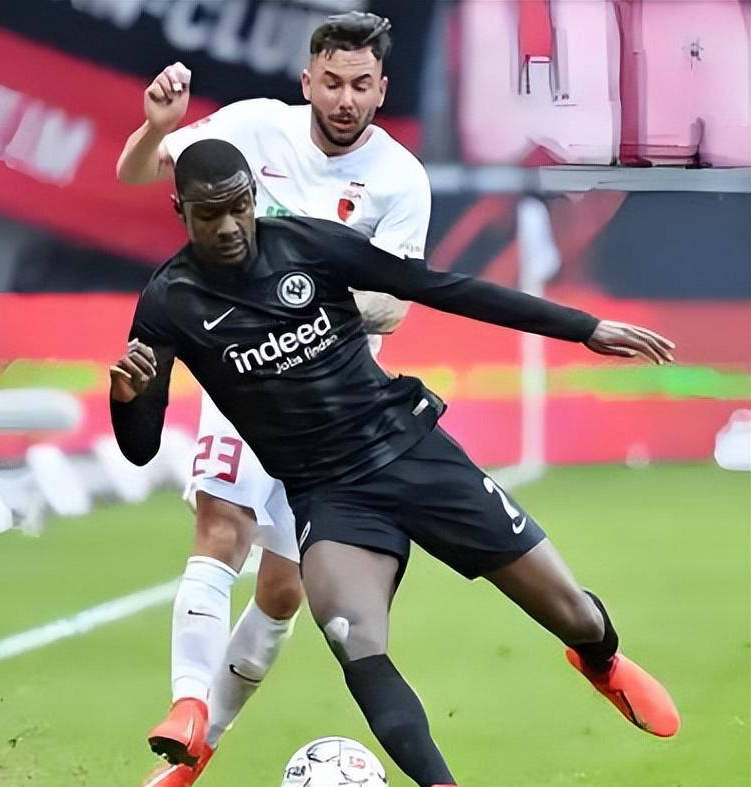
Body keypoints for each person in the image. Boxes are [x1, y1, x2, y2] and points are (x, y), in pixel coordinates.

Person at [110, 139, 680, 787]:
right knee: (353, 638)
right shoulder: (169, 302)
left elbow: (439, 287)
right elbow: (139, 445)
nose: (229, 225)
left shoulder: (305, 244)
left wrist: (583, 327)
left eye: (239, 206)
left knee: (573, 613)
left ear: (254, 198)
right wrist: (127, 400)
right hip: (329, 496)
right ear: (180, 209)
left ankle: (602, 661)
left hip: (412, 451)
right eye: (210, 213)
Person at [116, 13, 432, 785]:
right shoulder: (255, 127)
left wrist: (300, 305)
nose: (346, 99)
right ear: (307, 81)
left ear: (381, 89)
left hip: (336, 404)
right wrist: (156, 127)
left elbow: (395, 305)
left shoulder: (400, 180)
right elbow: (138, 173)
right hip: (244, 374)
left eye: (361, 85)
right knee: (219, 526)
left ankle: (202, 746)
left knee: (284, 590)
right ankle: (187, 706)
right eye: (333, 82)